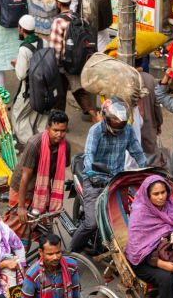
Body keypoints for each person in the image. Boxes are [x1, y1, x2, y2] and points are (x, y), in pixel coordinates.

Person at [68, 98, 147, 254]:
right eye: (115, 121)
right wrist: (92, 172)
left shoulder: (128, 131)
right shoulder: (96, 131)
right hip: (95, 180)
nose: (119, 125)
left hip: (116, 179)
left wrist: (146, 170)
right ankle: (70, 253)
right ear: (106, 118)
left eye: (121, 122)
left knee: (127, 216)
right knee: (92, 224)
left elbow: (137, 153)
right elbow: (89, 155)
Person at [8, 112, 68, 243]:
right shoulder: (35, 144)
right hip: (23, 188)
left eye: (62, 131)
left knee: (42, 227)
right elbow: (25, 177)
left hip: (43, 189)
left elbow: (58, 173)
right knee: (19, 227)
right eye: (55, 130)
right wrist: (21, 207)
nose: (59, 134)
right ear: (47, 128)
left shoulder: (65, 147)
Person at [48, 0, 95, 120]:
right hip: (78, 61)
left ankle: (59, 121)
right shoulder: (78, 18)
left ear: (58, 3)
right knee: (80, 91)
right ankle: (93, 115)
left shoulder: (58, 21)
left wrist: (53, 64)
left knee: (60, 94)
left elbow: (55, 47)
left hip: (63, 64)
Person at [11, 14, 45, 147]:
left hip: (29, 89)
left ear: (21, 29)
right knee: (34, 116)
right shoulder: (43, 41)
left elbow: (21, 75)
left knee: (18, 115)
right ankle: (38, 142)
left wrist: (16, 65)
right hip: (43, 87)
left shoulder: (24, 49)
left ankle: (29, 144)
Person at [136, 62, 162, 160]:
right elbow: (156, 105)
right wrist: (159, 122)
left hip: (130, 126)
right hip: (148, 126)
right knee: (152, 159)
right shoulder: (150, 79)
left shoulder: (123, 78)